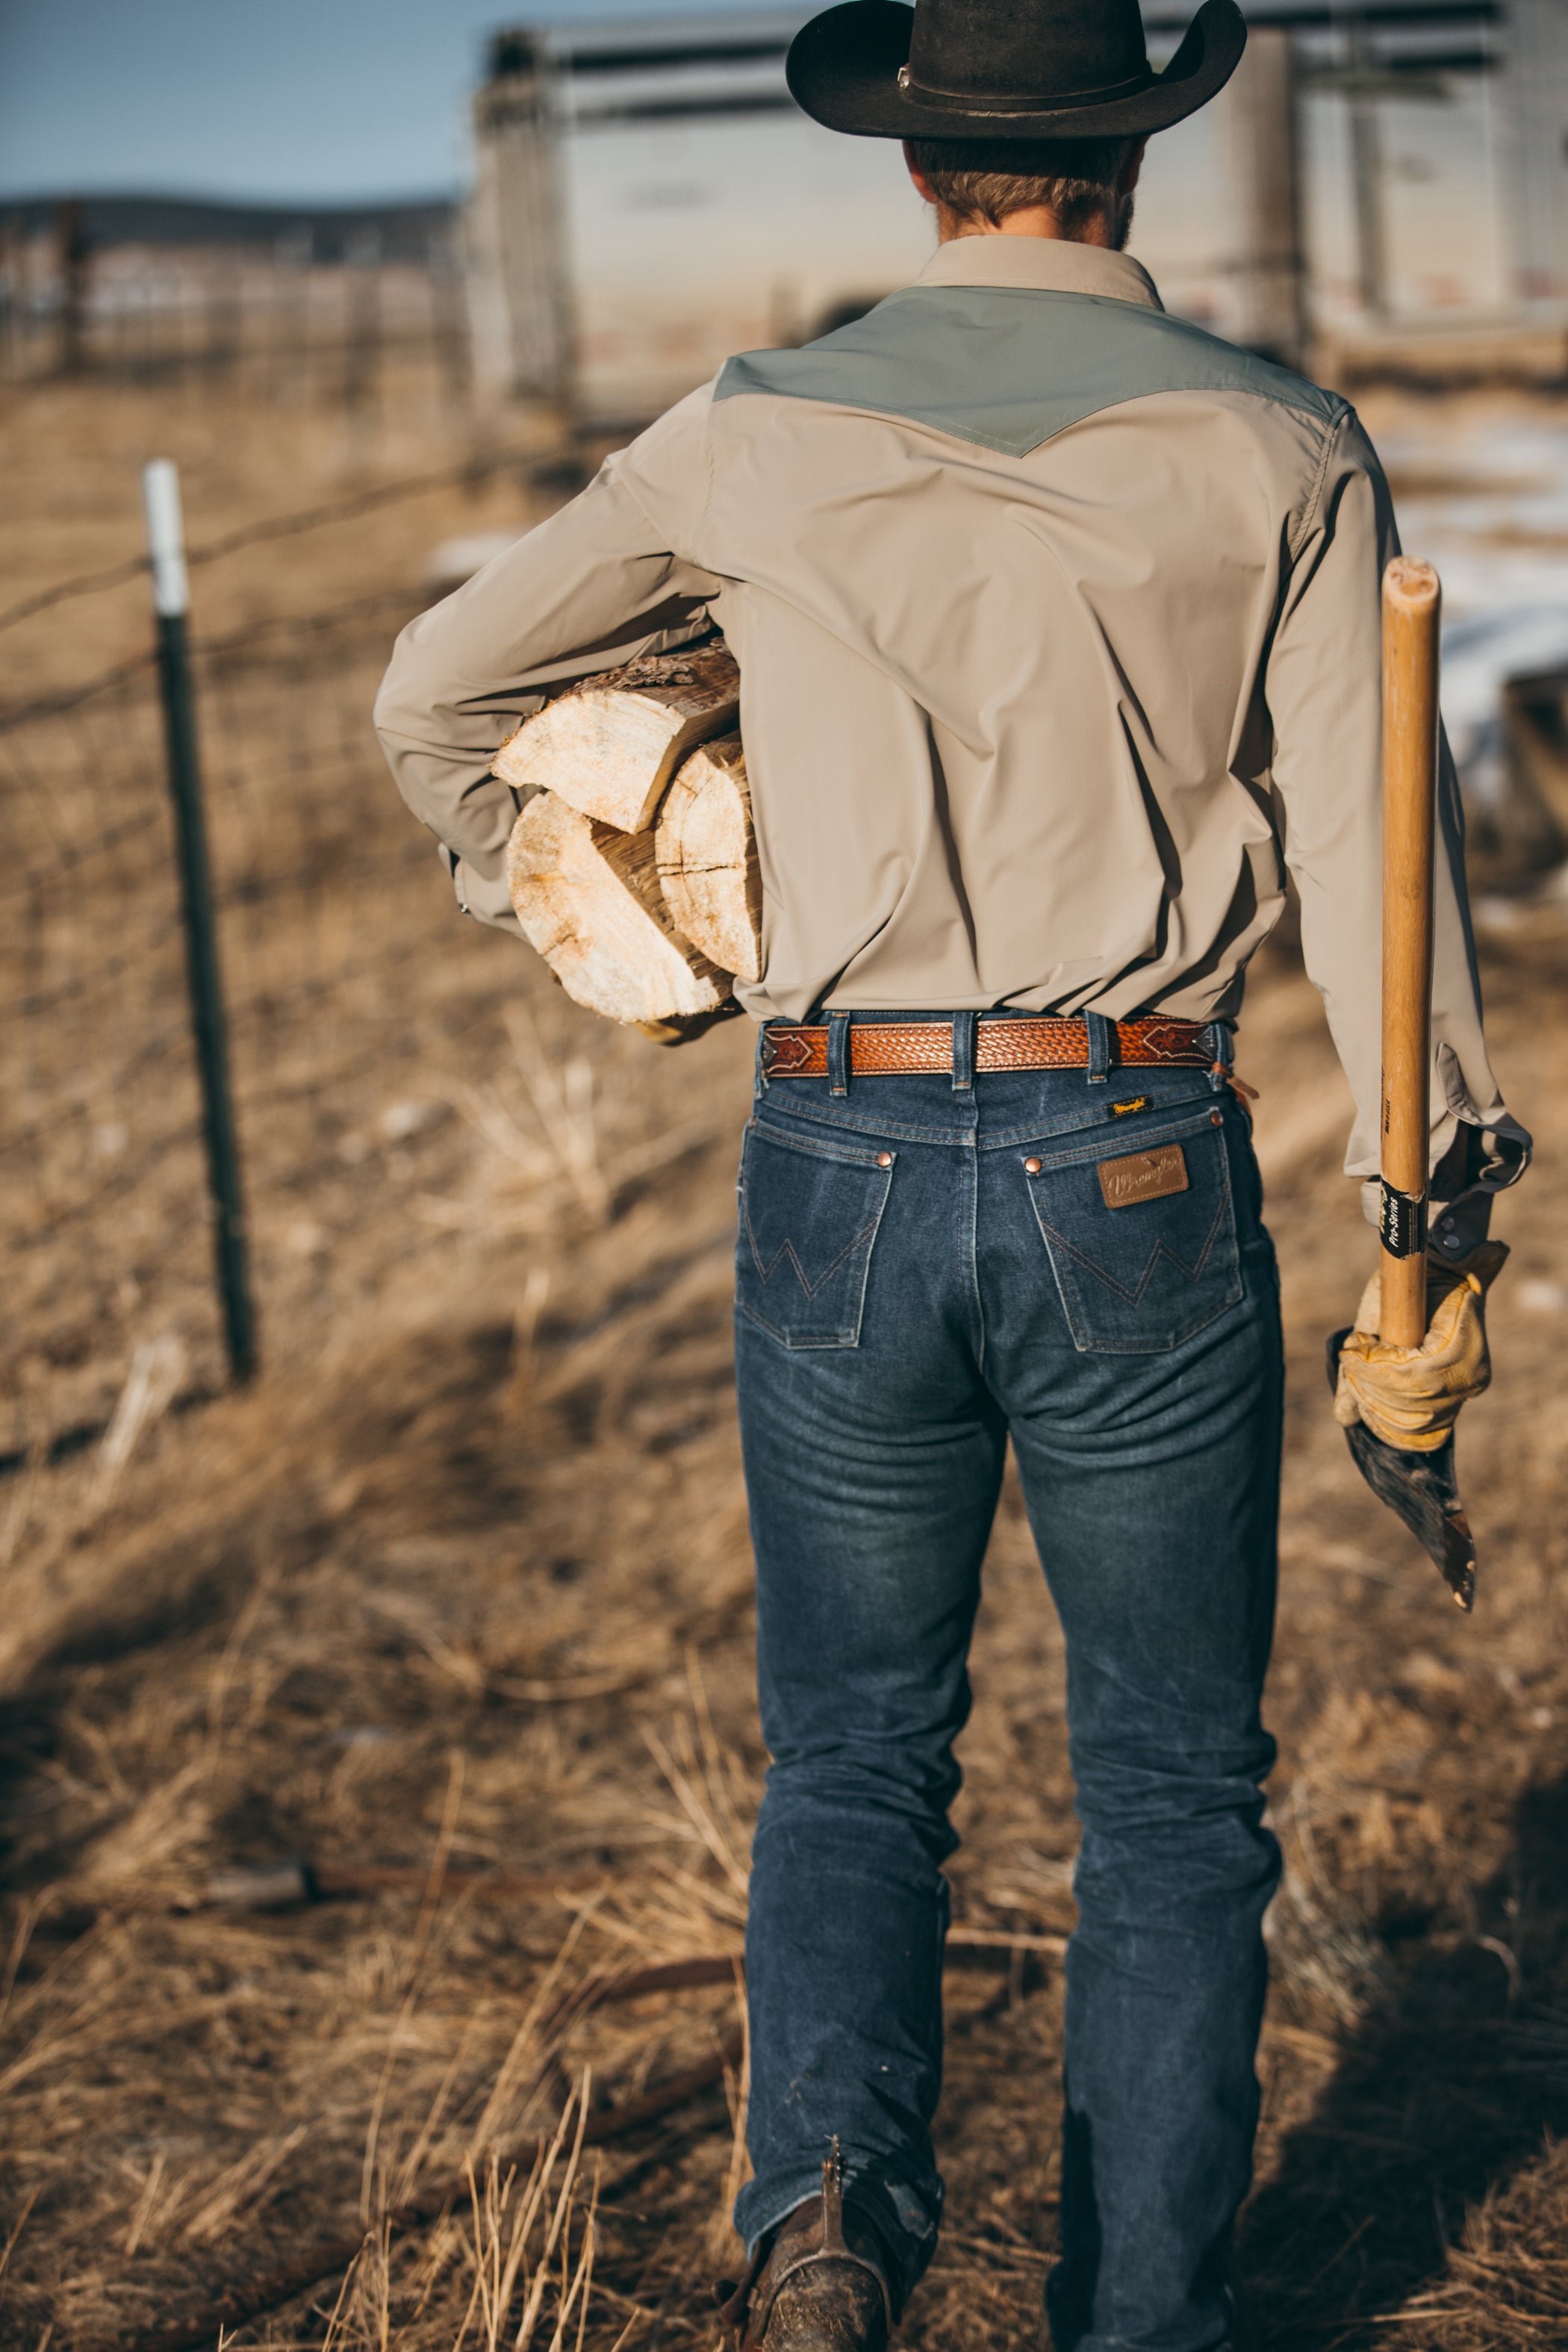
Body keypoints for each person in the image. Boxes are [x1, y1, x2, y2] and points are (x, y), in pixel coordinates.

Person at [375, 2, 1528, 2342]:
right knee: (1178, 1800)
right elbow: (1375, 900)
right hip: (1134, 1165)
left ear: (919, 177)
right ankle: (1136, 2323)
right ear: (1133, 160)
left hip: (835, 1150)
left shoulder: (747, 440)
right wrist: (1427, 1261)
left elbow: (433, 700)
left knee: (851, 1755)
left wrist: (607, 920)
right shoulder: (1284, 448)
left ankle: (821, 2231)